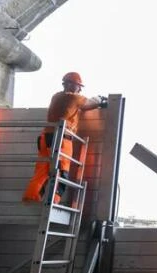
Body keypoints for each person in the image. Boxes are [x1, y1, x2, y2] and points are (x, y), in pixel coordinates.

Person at [22, 72, 107, 203]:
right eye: (79, 86)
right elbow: (90, 104)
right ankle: (53, 203)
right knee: (62, 172)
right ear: (72, 85)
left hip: (45, 137)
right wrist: (100, 99)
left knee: (42, 171)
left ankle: (30, 198)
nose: (80, 89)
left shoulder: (56, 96)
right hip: (61, 139)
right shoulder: (74, 98)